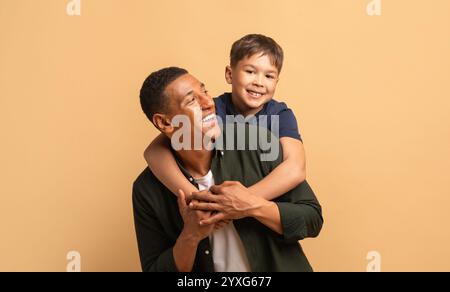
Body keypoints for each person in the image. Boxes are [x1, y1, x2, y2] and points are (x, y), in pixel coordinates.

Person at [133, 67, 323, 272]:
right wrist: (191, 235)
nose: (208, 103)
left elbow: (312, 219)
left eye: (204, 92)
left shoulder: (256, 142)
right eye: (191, 100)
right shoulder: (147, 189)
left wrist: (253, 205)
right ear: (165, 122)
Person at [144, 34, 307, 207]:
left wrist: (240, 201)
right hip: (219, 203)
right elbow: (154, 152)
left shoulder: (280, 115)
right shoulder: (211, 108)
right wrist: (198, 199)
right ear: (230, 74)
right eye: (250, 72)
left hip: (261, 210)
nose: (259, 82)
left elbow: (295, 168)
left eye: (269, 76)